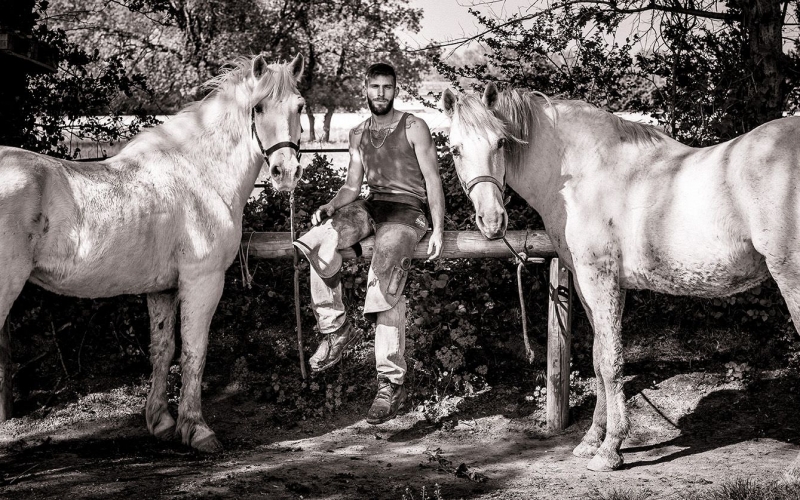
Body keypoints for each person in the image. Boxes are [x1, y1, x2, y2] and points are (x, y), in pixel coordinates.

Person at [293, 62, 445, 424]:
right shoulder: (358, 132)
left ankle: (389, 383)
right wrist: (331, 205)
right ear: (366, 88)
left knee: (385, 278)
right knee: (318, 241)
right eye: (374, 86)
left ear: (396, 90)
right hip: (371, 206)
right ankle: (335, 329)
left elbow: (433, 180)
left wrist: (438, 228)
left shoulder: (414, 127)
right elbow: (352, 185)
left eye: (387, 87)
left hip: (408, 213)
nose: (381, 93)